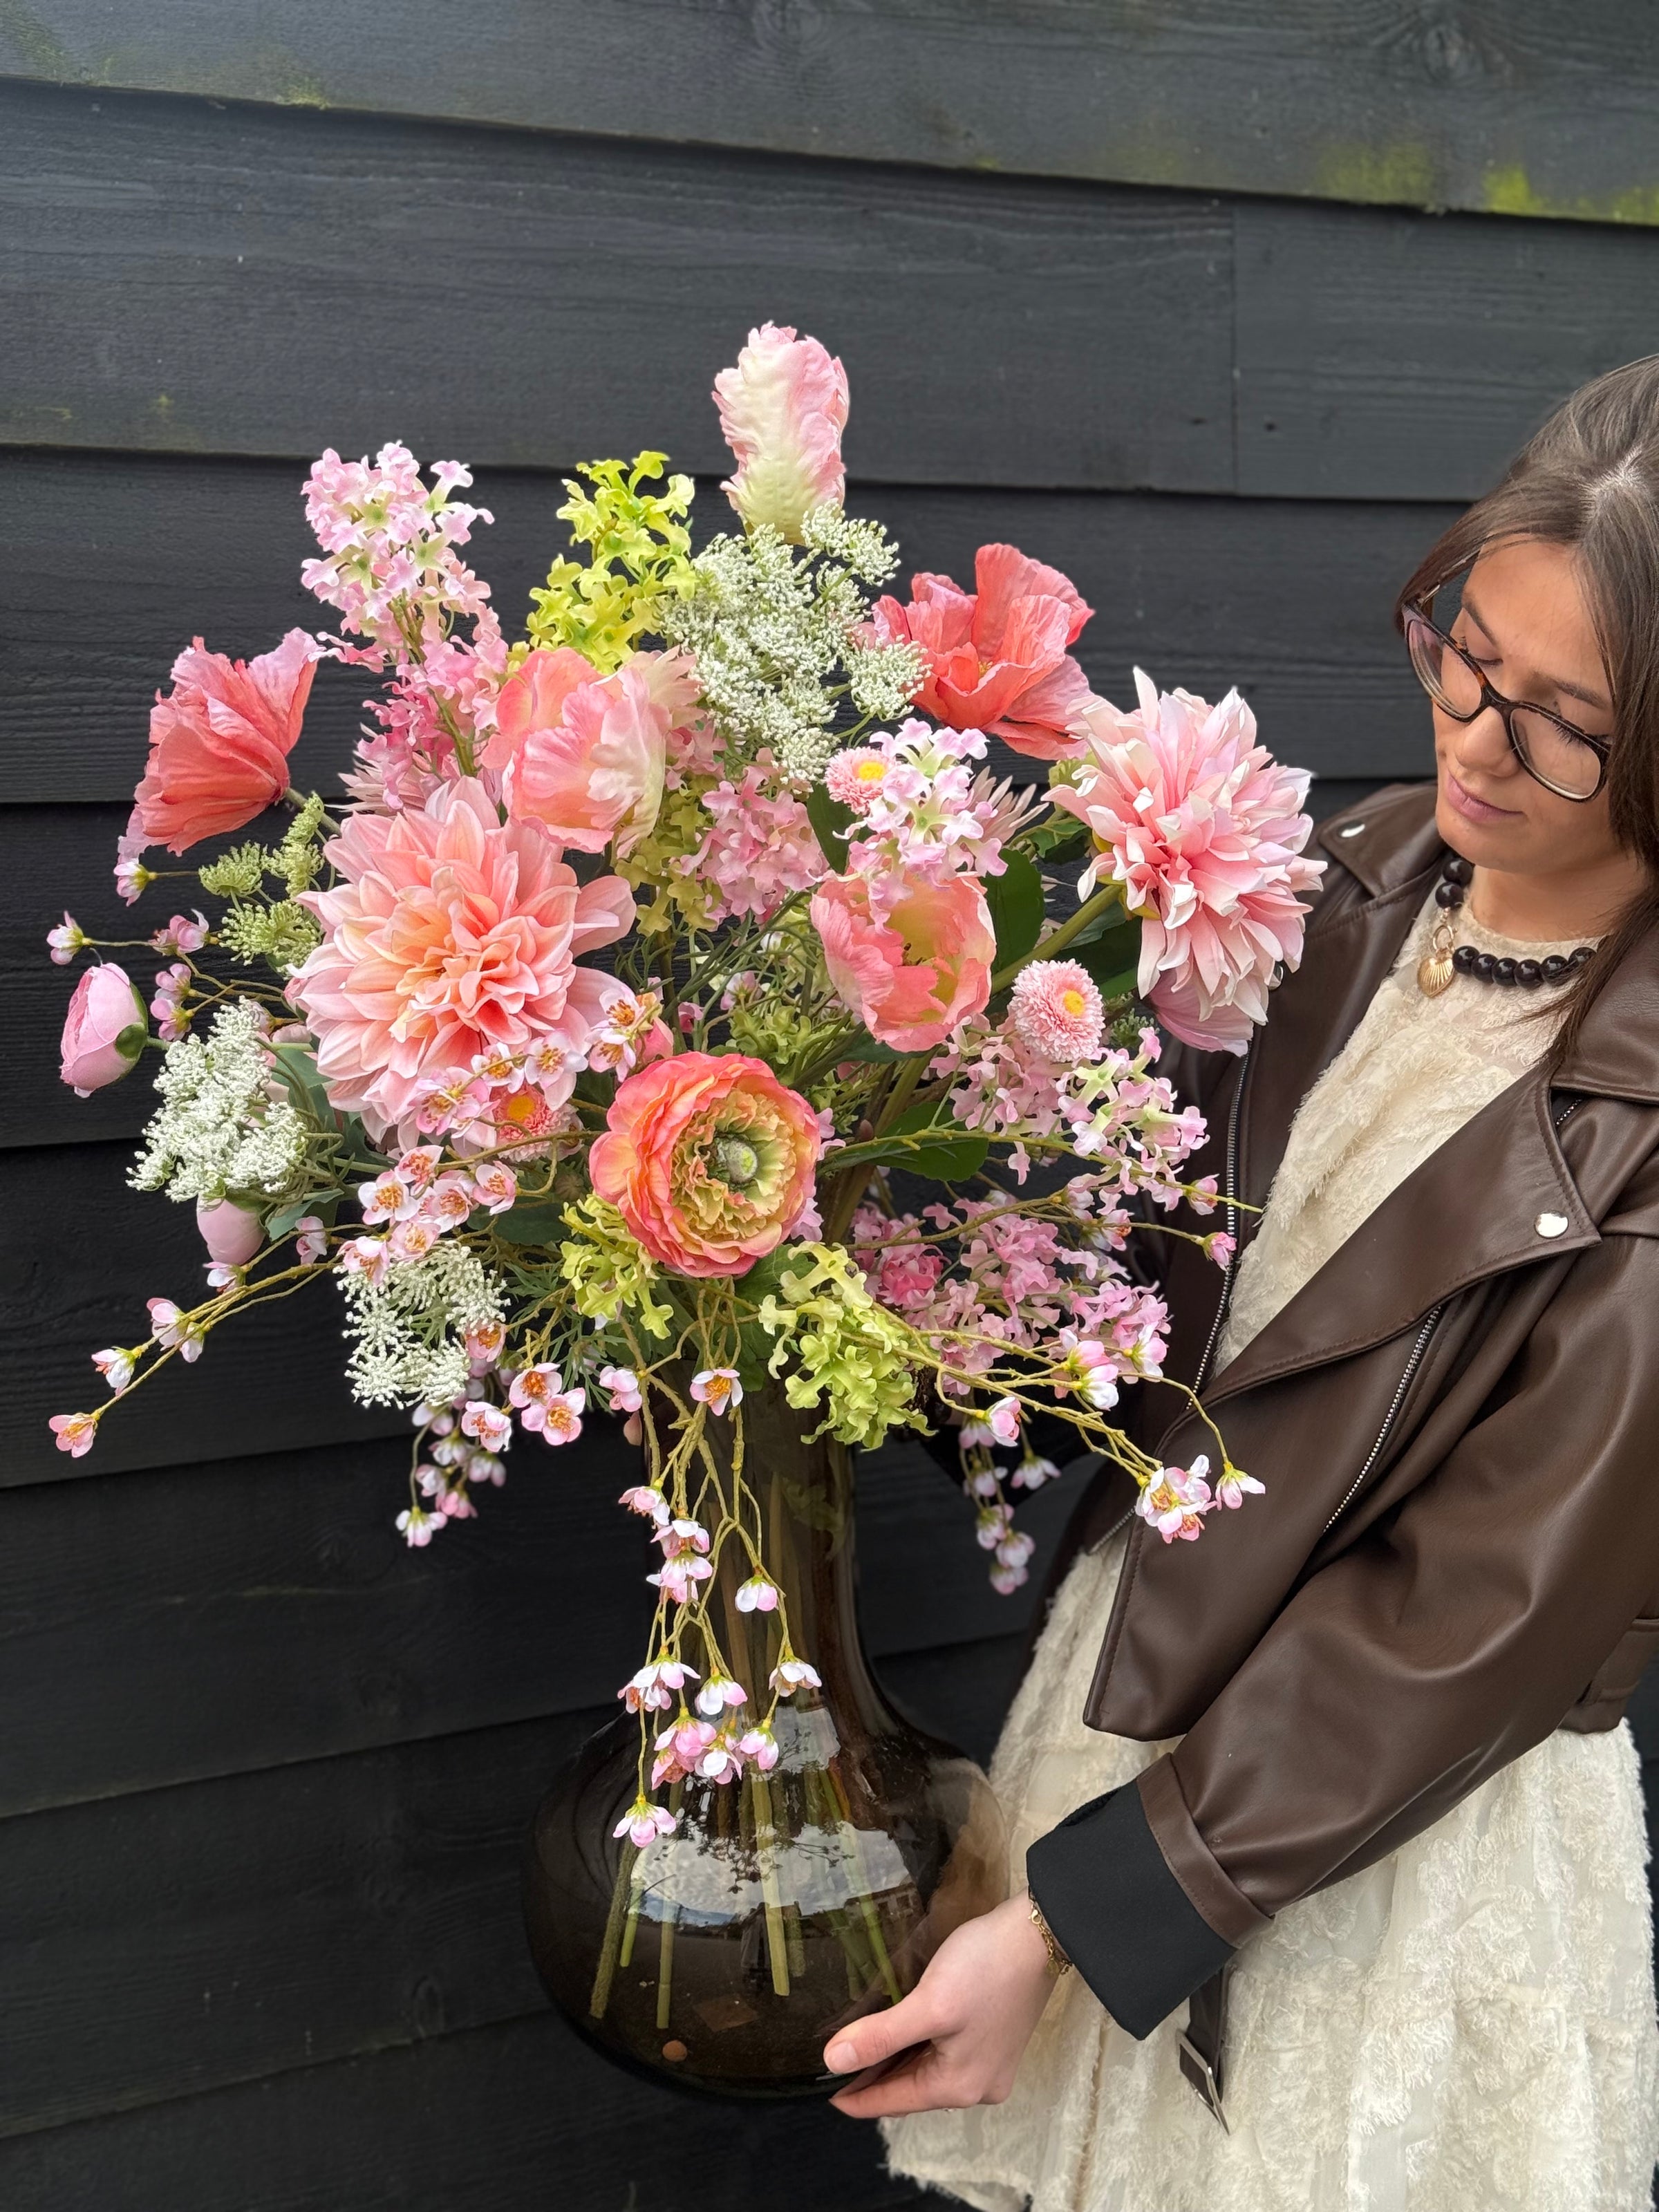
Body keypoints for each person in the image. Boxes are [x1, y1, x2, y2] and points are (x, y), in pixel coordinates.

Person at [827, 359, 1659, 2209]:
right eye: (1465, 654)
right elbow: (1168, 1319)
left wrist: (1083, 1920)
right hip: (1134, 1724)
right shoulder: (1342, 887)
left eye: (1567, 725)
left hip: (1381, 1849)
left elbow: (1478, 1616)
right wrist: (860, 1291)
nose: (1477, 741)